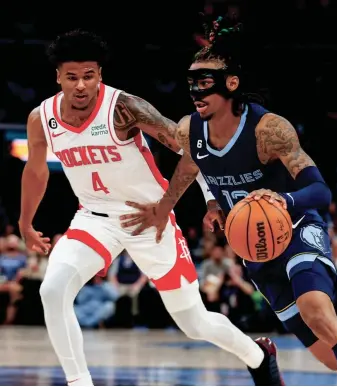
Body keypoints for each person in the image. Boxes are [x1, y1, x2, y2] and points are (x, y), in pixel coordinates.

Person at [121, 16, 337, 385]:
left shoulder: (268, 129)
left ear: (231, 84)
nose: (195, 92)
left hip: (298, 227)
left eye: (204, 83)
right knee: (333, 357)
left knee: (316, 311)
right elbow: (192, 165)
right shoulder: (192, 130)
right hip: (256, 248)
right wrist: (175, 206)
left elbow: (320, 191)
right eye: (191, 83)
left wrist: (284, 199)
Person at [18, 30, 284, 386]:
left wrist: (206, 198)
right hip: (94, 218)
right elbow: (35, 170)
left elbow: (189, 147)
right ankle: (78, 382)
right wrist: (25, 221)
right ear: (58, 77)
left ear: (99, 74)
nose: (80, 85)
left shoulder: (124, 108)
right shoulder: (42, 117)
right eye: (71, 77)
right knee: (52, 290)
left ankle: (257, 355)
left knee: (194, 323)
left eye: (88, 76)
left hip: (150, 217)